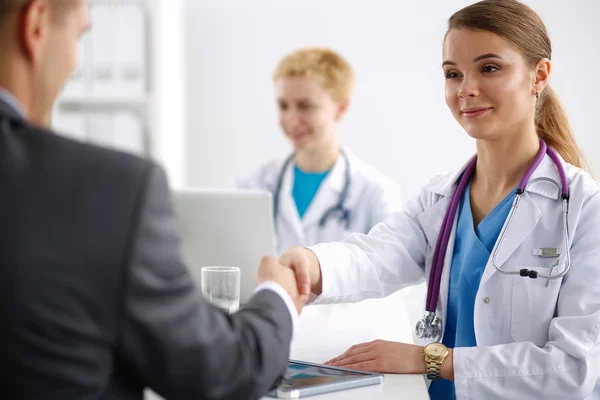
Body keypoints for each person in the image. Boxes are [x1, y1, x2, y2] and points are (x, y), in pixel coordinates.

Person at [264, 1, 600, 399]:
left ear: (539, 75)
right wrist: (310, 263)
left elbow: (575, 366)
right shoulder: (442, 198)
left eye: (489, 68)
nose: (466, 89)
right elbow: (375, 256)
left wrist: (430, 360)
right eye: (452, 74)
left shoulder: (583, 208)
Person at [0, 1, 307, 399]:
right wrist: (277, 295)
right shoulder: (109, 191)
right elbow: (223, 372)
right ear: (36, 23)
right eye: (79, 36)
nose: (76, 62)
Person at [237, 47, 402, 255]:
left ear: (340, 108)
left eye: (305, 106)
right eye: (283, 106)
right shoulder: (254, 183)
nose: (292, 120)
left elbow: (392, 277)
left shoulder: (375, 193)